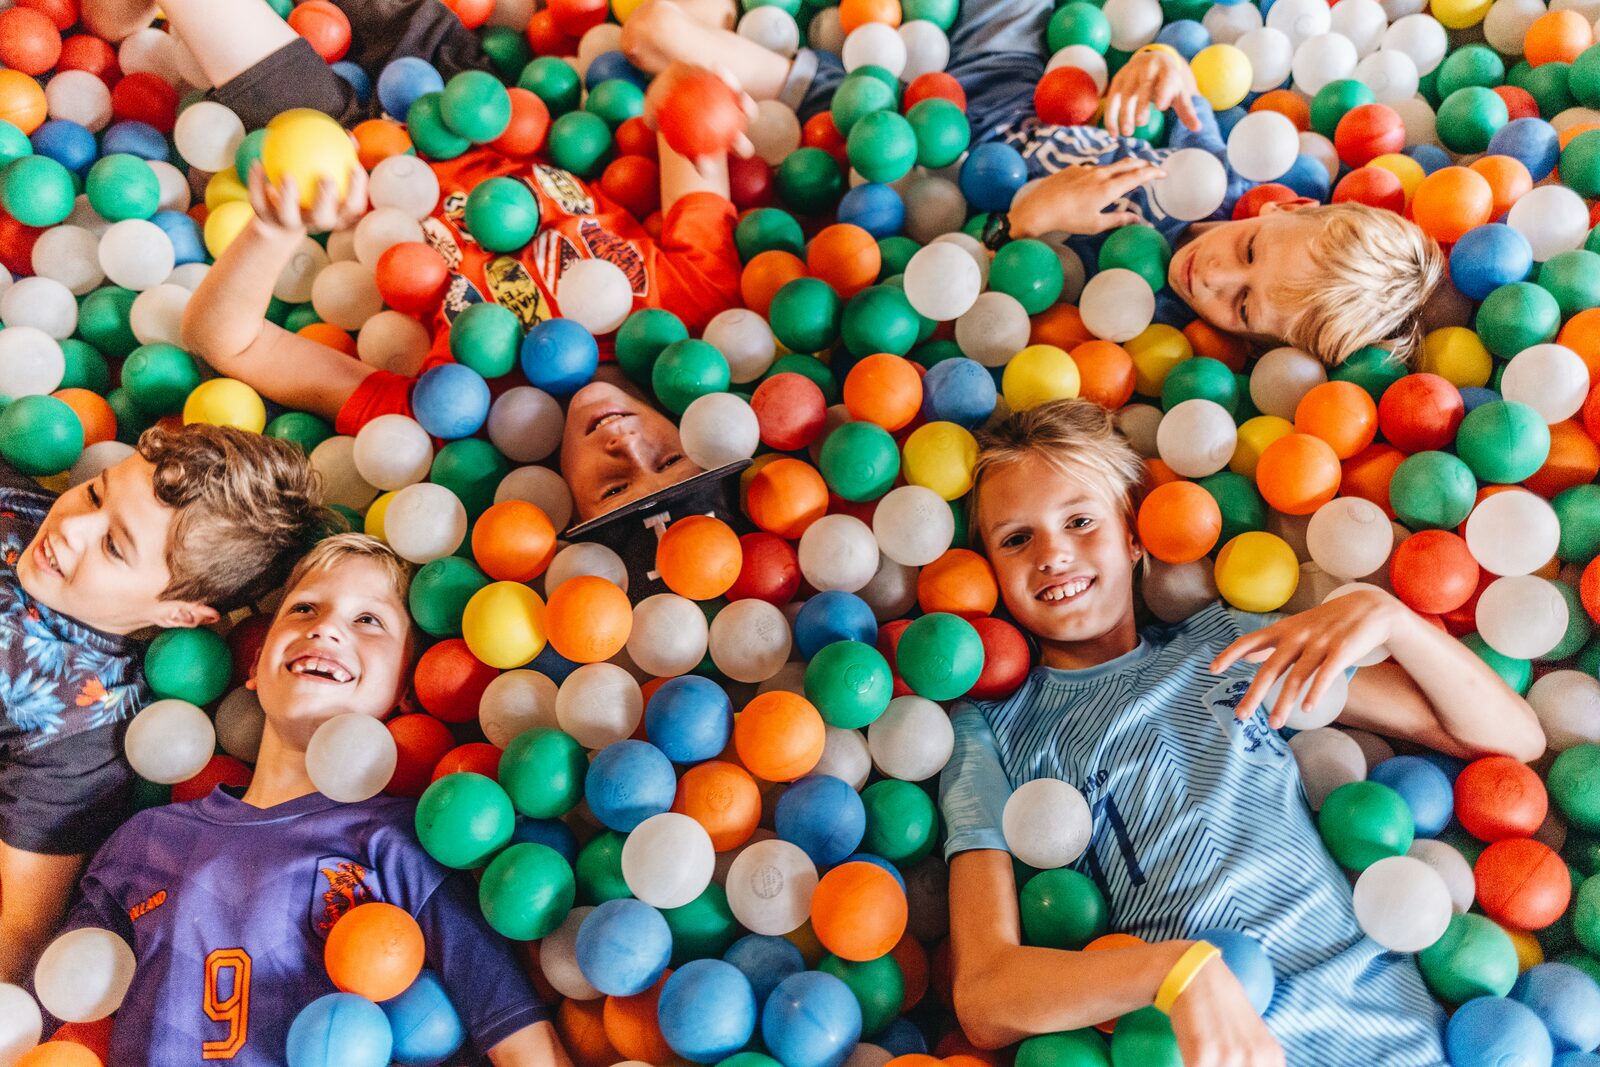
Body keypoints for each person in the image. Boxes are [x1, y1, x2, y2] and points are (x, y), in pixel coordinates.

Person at [937, 399, 1545, 1066]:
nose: (1054, 553)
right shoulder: (991, 732)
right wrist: (1175, 973)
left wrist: (1389, 616)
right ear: (990, 567)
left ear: (1134, 534)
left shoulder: (1229, 644)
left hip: (1392, 1037)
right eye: (1016, 538)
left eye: (1081, 520)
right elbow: (986, 997)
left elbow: (1511, 740)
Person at [167, 0, 747, 522]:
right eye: (667, 457)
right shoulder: (695, 305)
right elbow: (682, 111)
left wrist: (274, 230)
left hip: (340, 159)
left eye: (615, 486)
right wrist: (696, 97)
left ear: (564, 503)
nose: (626, 444)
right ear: (694, 433)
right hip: (460, 100)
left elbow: (224, 340)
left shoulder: (454, 413)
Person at [621, 0, 1447, 366]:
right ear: (1288, 204)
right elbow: (1175, 84)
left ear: (1255, 344)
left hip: (901, 144)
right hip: (1011, 73)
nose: (1218, 271)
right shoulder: (1224, 169)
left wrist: (1025, 221)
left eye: (1242, 306)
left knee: (655, 32)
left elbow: (952, 287)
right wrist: (1156, 63)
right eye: (1254, 249)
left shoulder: (1140, 305)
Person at [55, 532, 572, 1066]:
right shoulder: (144, 841)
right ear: (255, 667)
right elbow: (52, 1019)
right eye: (303, 608)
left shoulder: (404, 842)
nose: (324, 627)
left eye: (368, 620)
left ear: (405, 688)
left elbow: (527, 1047)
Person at [0, 425, 324, 985]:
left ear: (180, 612)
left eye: (114, 546)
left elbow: (24, 930)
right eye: (95, 493)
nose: (71, 526)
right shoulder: (19, 500)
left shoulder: (76, 728)